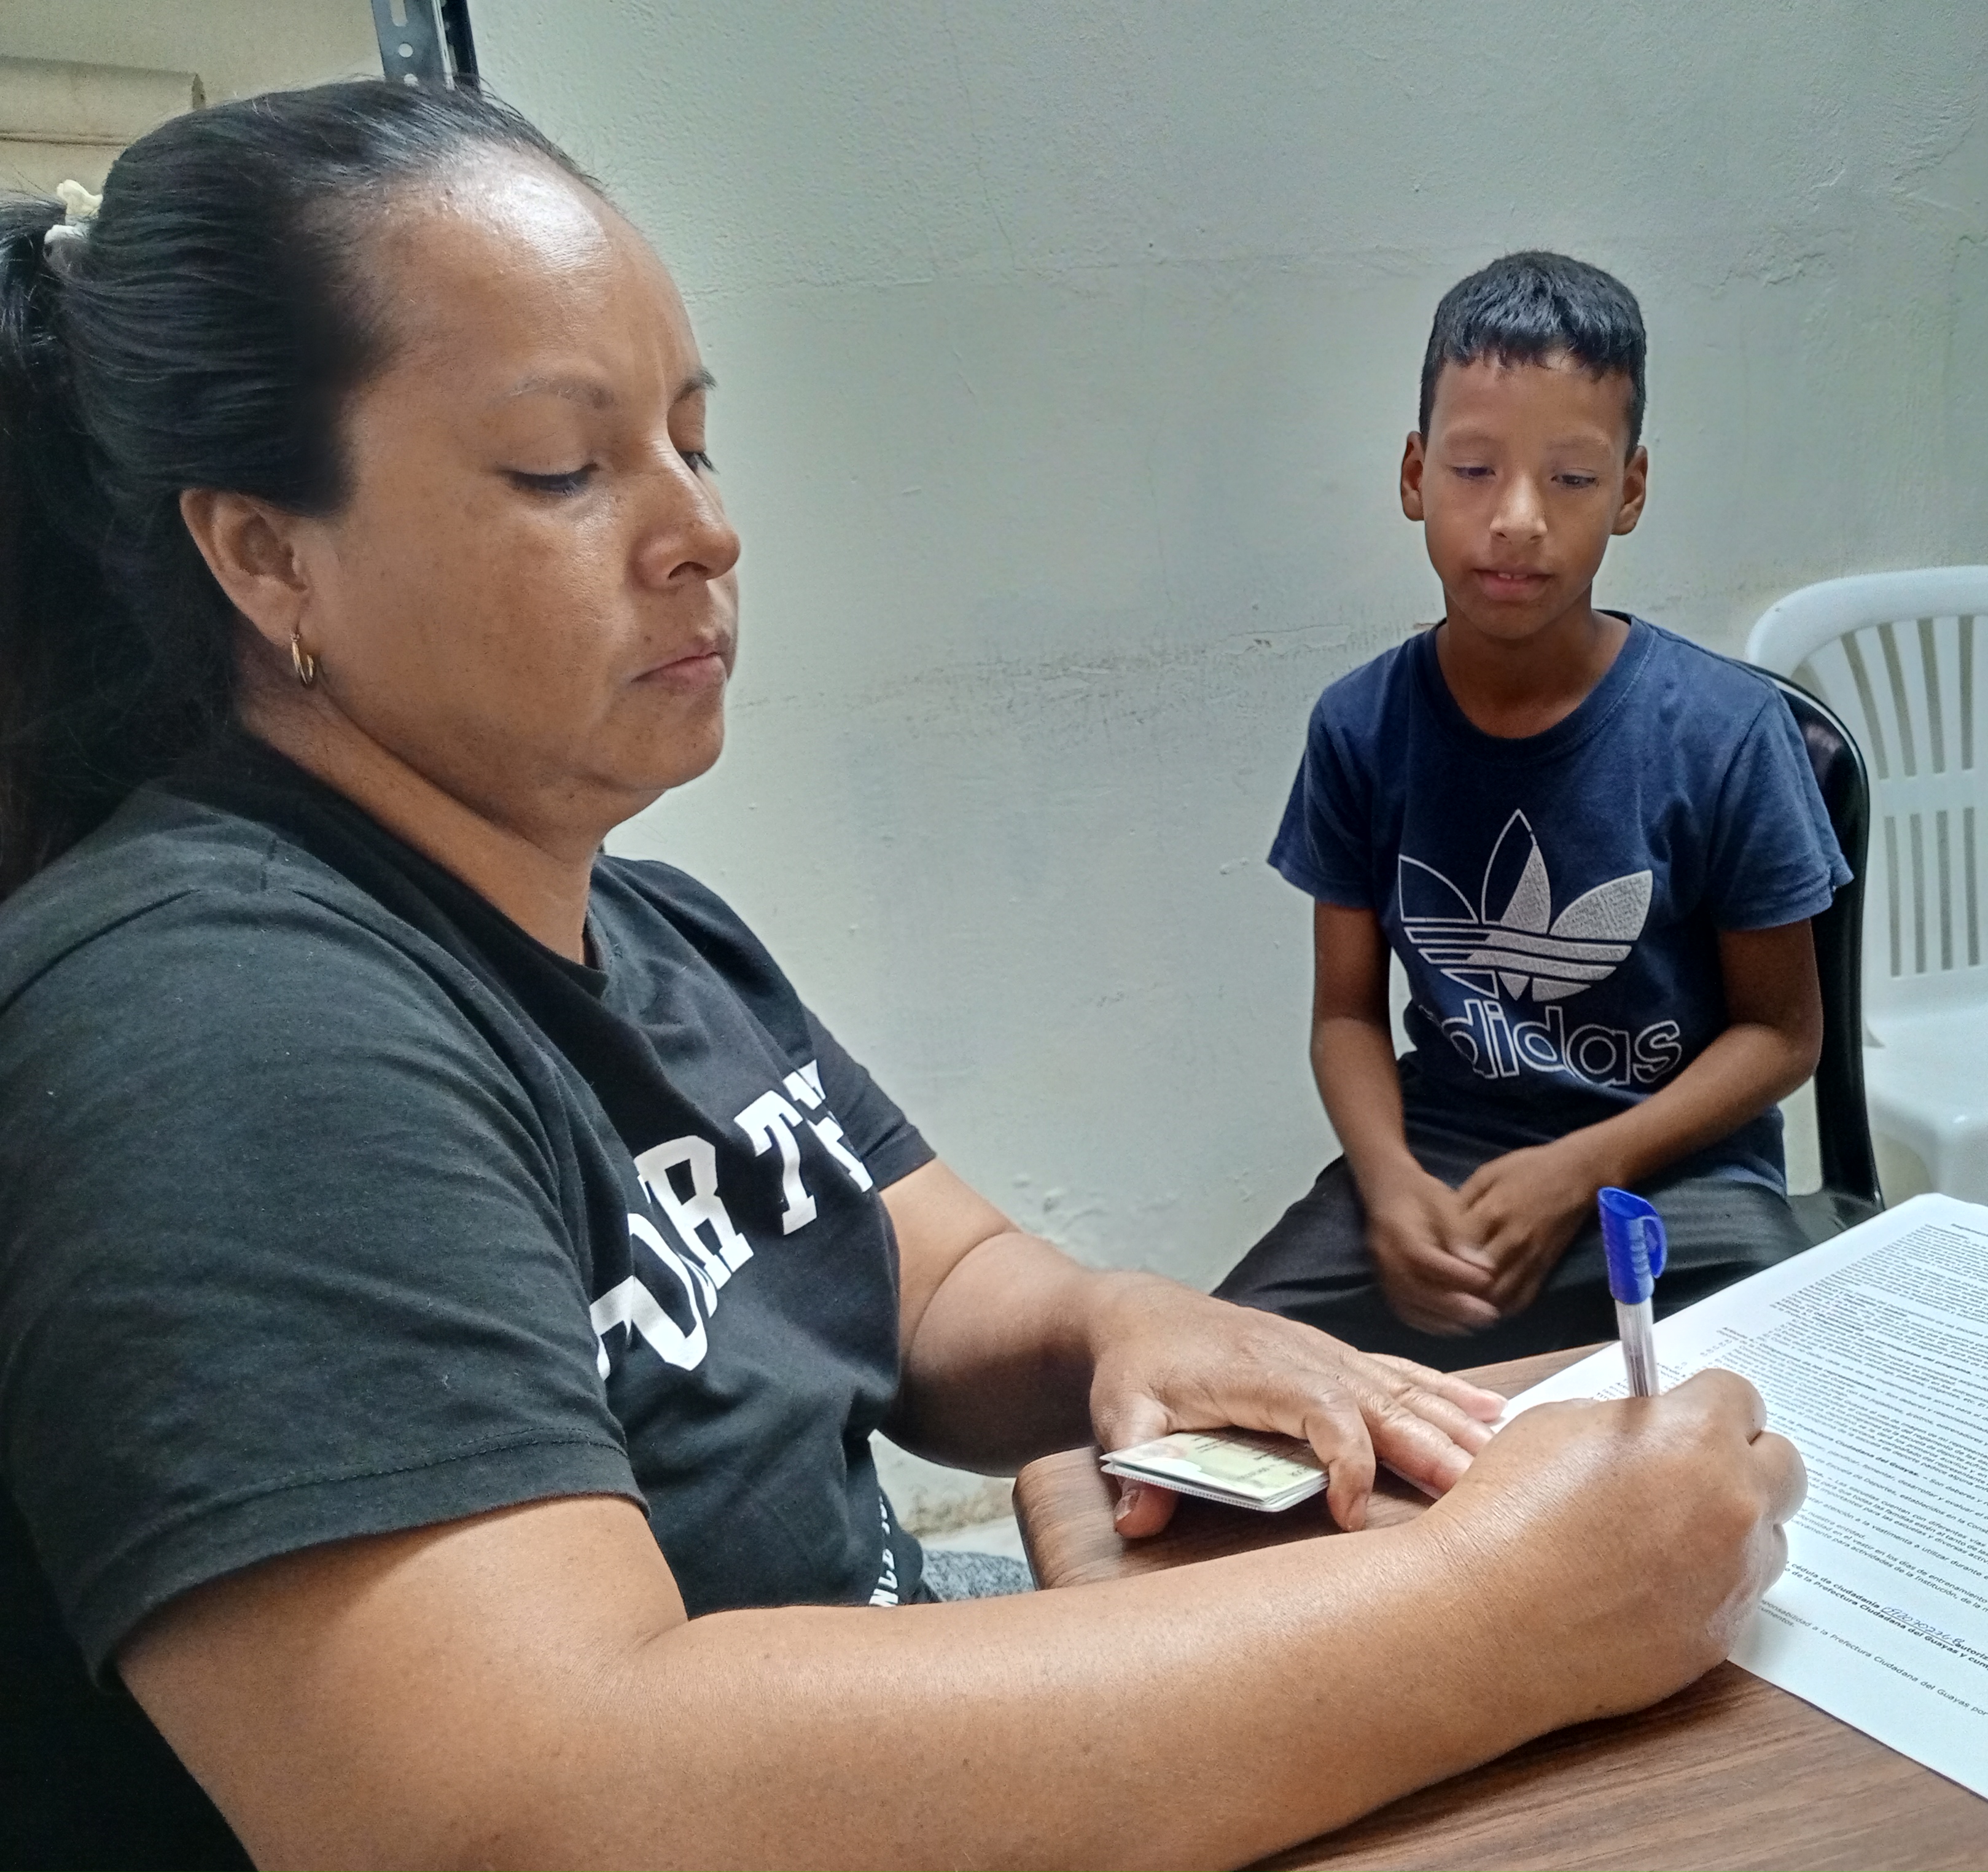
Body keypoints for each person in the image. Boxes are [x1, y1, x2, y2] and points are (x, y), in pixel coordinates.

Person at [0, 86, 1804, 1872]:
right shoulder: (218, 1024)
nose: (701, 531)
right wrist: (1506, 1606)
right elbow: (529, 1803)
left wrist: (1116, 1318)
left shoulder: (656, 928)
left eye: (693, 442)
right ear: (264, 552)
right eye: (563, 467)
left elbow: (932, 1278)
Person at [1216, 253, 1850, 1368]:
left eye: (1571, 478)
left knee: (1772, 1391)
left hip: (1676, 1175)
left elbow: (1782, 1035)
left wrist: (1586, 1168)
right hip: (1444, 1162)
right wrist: (1388, 1181)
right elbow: (1347, 1016)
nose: (1517, 519)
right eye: (1474, 468)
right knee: (1220, 1381)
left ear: (1630, 491)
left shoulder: (1728, 734)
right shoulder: (1361, 726)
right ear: (1414, 475)